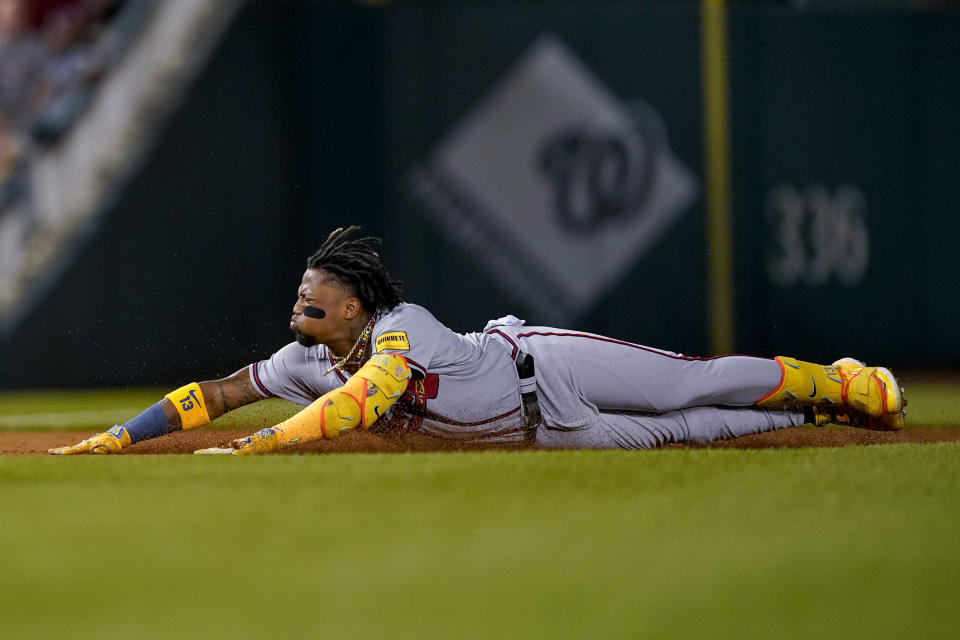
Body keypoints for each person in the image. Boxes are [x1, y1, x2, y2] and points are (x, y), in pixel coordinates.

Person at [49, 226, 906, 455]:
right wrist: (124, 435)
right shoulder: (302, 361)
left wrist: (268, 443)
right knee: (699, 430)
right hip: (550, 432)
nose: (297, 313)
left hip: (543, 362)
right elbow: (218, 394)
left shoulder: (401, 328)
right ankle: (811, 419)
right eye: (298, 301)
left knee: (688, 384)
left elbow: (364, 404)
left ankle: (839, 383)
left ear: (354, 308)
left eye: (313, 303)